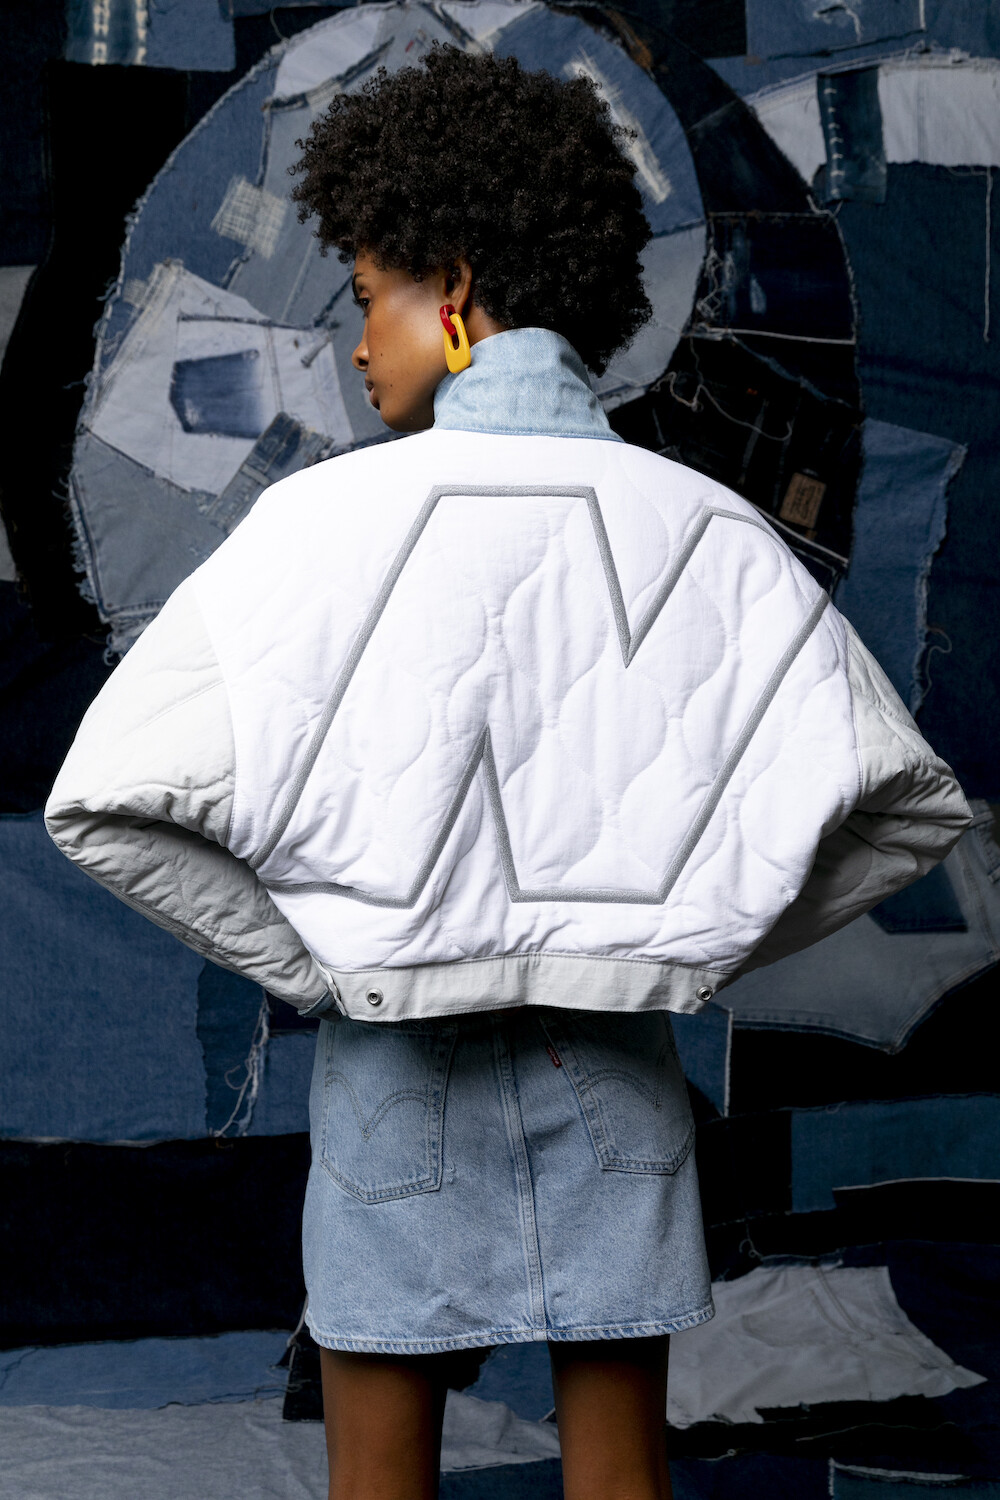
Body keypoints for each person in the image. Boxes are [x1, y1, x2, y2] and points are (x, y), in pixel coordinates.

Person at [46, 46, 970, 1500]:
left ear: (457, 290)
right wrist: (692, 944)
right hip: (621, 1082)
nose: (355, 345)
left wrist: (316, 957)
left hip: (393, 1085)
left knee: (378, 1479)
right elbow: (910, 809)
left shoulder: (309, 526)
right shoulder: (711, 527)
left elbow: (101, 803)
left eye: (368, 298)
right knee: (619, 1475)